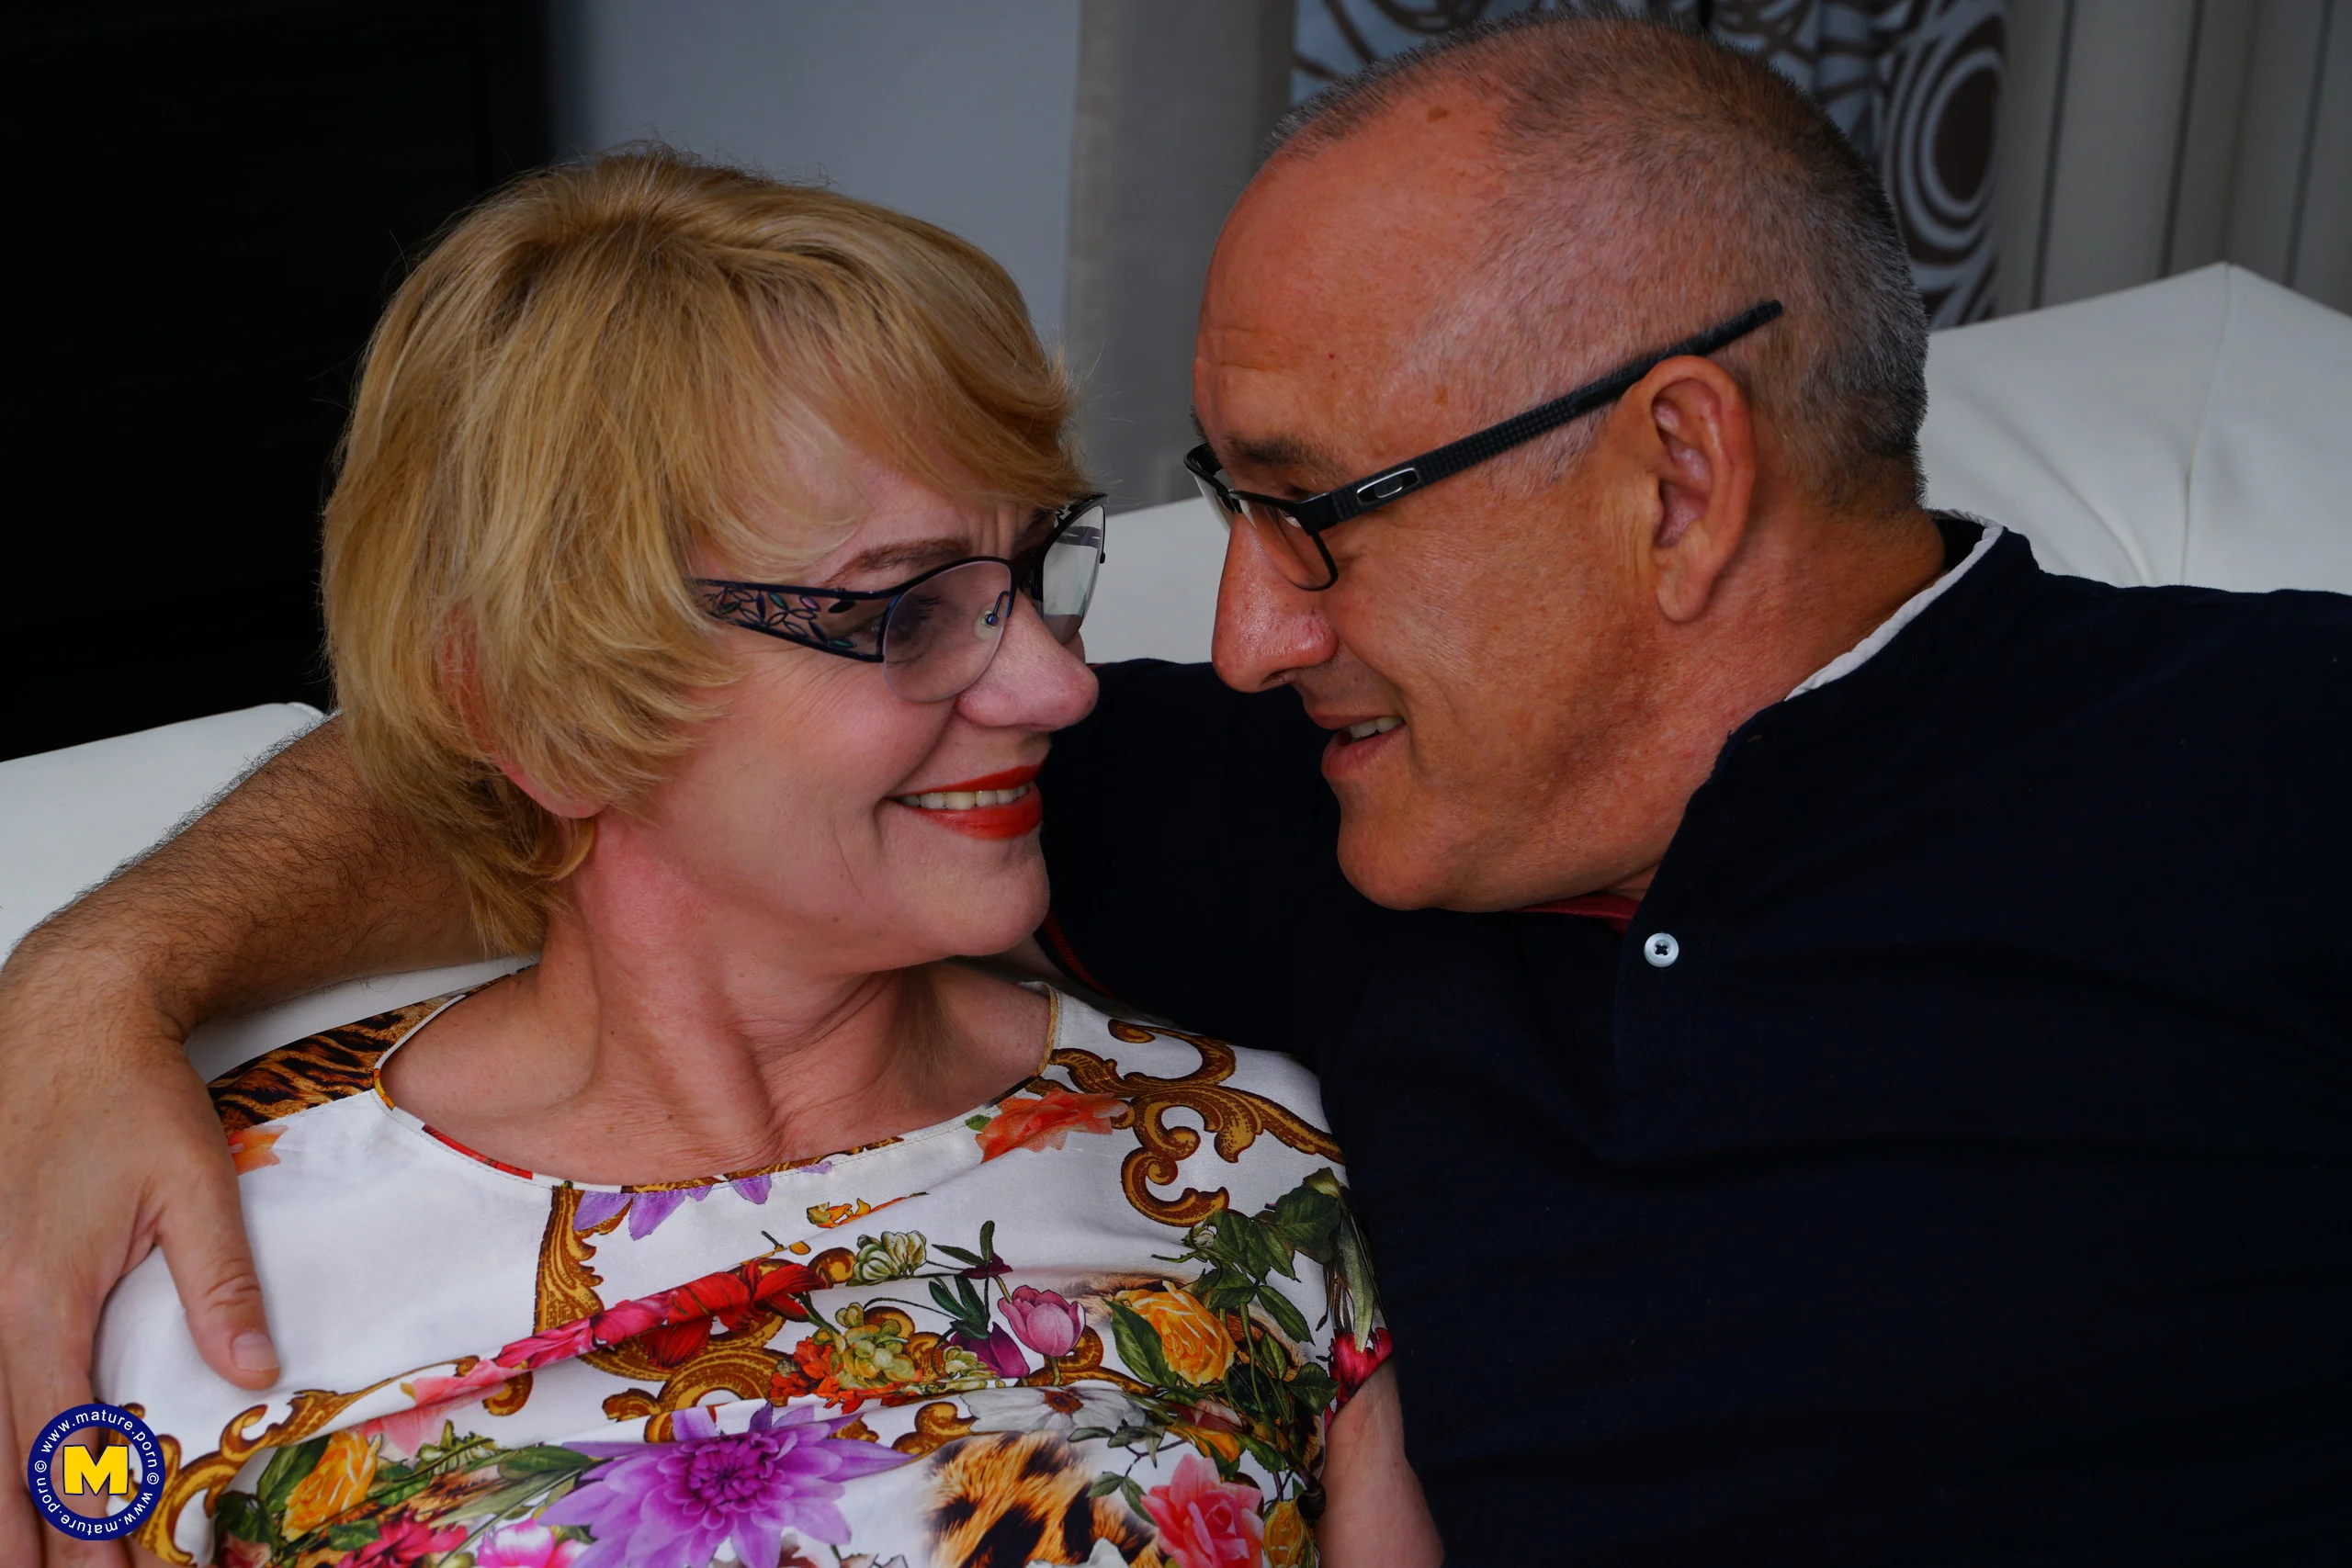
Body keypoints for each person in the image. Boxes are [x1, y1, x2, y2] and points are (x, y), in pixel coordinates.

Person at [6, 12, 2349, 1566]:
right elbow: (625, 756)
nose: (1218, 642)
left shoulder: (2266, 769)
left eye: (1311, 512)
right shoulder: (1284, 820)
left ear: (1673, 478)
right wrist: (94, 980)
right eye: (1214, 519)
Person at [34, 149, 1432, 1568]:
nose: (1059, 688)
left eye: (1036, 569)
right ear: (544, 706)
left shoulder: (1242, 1173)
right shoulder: (158, 1269)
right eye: (904, 609)